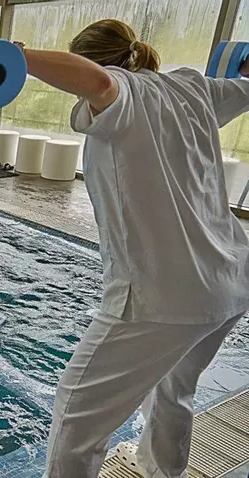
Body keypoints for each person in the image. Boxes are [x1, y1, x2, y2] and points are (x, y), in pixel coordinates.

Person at [17, 20, 249, 477]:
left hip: (161, 296)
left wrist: (17, 56)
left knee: (76, 416)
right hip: (230, 280)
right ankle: (161, 470)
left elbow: (102, 84)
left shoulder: (123, 95)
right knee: (172, 389)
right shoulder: (193, 87)